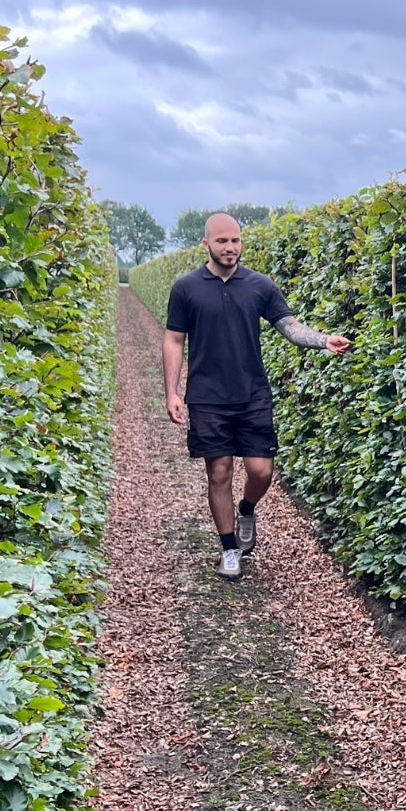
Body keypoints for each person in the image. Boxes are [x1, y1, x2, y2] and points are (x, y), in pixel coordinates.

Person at [162, 212, 349, 581]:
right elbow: (173, 340)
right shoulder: (186, 288)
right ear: (206, 244)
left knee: (261, 471)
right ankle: (230, 548)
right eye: (222, 241)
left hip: (252, 395)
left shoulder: (260, 285)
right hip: (207, 397)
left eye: (235, 240)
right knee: (219, 473)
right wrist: (172, 391)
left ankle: (247, 509)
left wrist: (322, 340)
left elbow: (289, 326)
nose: (230, 248)